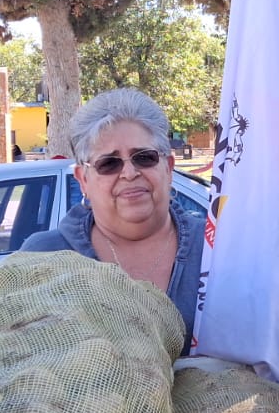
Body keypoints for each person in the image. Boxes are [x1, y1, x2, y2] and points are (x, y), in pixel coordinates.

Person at [21, 88, 202, 352]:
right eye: (109, 164)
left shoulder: (215, 249)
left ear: (168, 168)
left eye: (144, 158)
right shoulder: (43, 257)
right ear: (83, 179)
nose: (129, 173)